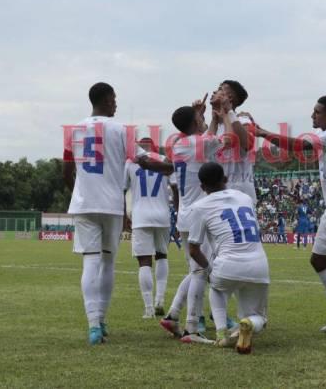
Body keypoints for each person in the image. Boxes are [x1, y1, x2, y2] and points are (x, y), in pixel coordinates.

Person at [257, 95, 326, 339]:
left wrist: (262, 133)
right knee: (318, 260)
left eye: (317, 112)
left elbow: (300, 146)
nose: (312, 116)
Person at [62, 82, 161, 345]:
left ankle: (93, 325)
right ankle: (101, 320)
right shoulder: (121, 131)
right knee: (107, 263)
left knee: (90, 262)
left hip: (84, 204)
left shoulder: (73, 130)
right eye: (114, 99)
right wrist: (168, 167)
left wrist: (80, 189)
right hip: (111, 206)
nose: (116, 103)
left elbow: (66, 170)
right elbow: (144, 160)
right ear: (106, 100)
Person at [159, 103, 237, 343]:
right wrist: (221, 116)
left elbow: (205, 135)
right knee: (201, 270)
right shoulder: (199, 143)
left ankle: (173, 315)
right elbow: (225, 138)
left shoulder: (181, 144)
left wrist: (204, 117)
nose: (202, 119)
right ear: (194, 122)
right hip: (199, 213)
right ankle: (192, 328)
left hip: (186, 212)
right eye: (198, 117)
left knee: (196, 270)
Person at [188, 162, 269, 354]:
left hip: (227, 264)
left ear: (202, 187)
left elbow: (193, 250)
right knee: (259, 318)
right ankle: (248, 322)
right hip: (259, 264)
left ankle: (221, 332)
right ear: (225, 179)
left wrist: (209, 271)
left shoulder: (199, 206)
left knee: (216, 288)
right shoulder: (245, 197)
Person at [124, 137, 179, 319]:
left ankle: (148, 308)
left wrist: (124, 215)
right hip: (162, 214)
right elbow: (175, 187)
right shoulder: (164, 160)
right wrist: (177, 213)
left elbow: (123, 189)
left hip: (140, 216)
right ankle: (160, 300)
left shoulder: (131, 162)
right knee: (162, 255)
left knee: (144, 262)